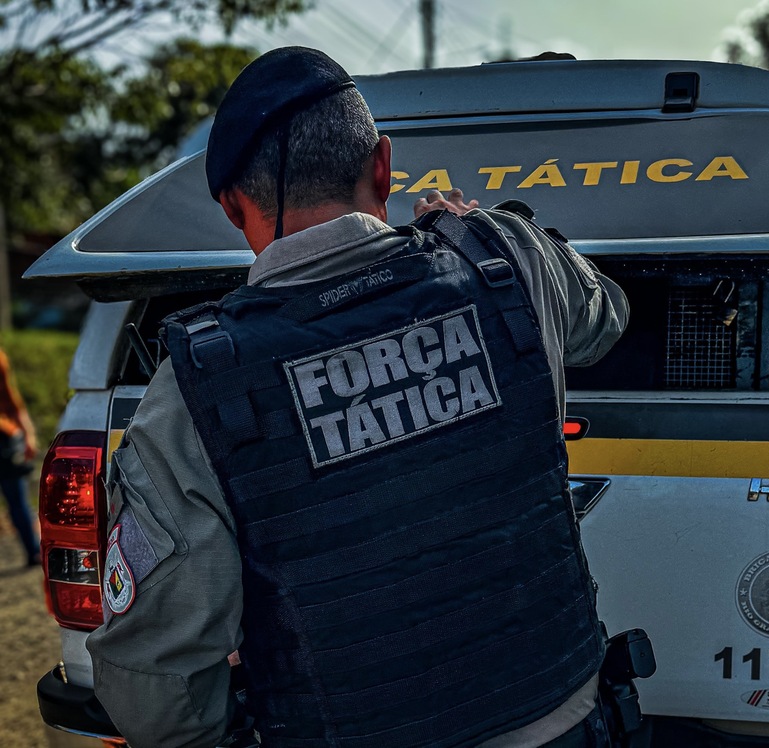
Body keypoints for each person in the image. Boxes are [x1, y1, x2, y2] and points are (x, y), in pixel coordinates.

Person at [85, 47, 629, 748]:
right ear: (383, 167)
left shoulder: (191, 393)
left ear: (229, 206)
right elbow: (602, 319)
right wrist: (474, 230)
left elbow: (155, 678)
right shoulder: (511, 259)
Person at [0, 346, 40, 567]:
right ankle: (33, 551)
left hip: (5, 439)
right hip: (6, 435)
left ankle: (33, 551)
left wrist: (28, 433)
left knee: (17, 500)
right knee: (17, 501)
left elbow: (11, 399)